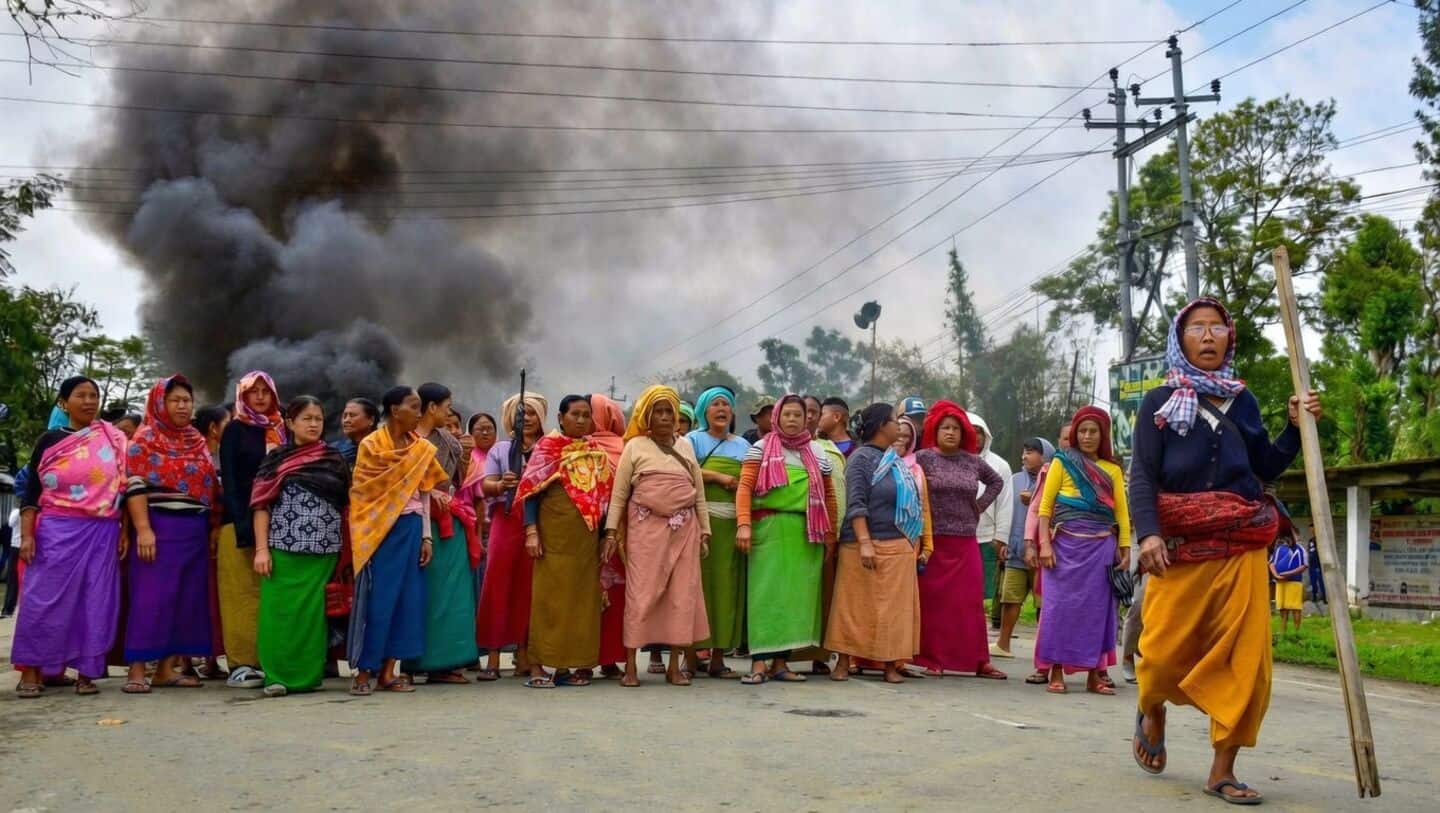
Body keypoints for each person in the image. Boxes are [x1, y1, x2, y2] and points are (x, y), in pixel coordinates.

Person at [1128, 297, 1320, 804]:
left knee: (1246, 662)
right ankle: (1152, 709)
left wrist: (1296, 427)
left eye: (1217, 327)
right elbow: (1143, 475)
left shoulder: (1244, 401)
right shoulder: (1157, 402)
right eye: (1197, 328)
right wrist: (1147, 534)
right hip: (1179, 547)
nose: (1209, 335)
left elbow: (1269, 464)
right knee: (1160, 659)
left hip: (1242, 544)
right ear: (1180, 339)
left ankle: (1222, 768)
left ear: (1229, 339)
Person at [11, 377, 127, 698]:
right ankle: (33, 670)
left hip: (103, 530)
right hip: (55, 530)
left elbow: (124, 488)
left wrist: (126, 531)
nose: (89, 401)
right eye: (81, 395)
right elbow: (32, 491)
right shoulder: (49, 440)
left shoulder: (113, 439)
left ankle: (86, 673)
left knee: (95, 600)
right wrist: (29, 535)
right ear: (64, 402)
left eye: (94, 395)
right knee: (42, 600)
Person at [603, 385, 711, 687]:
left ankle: (675, 666)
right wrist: (611, 532)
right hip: (644, 532)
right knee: (640, 595)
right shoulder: (634, 447)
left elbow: (698, 493)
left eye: (669, 412)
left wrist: (705, 530)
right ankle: (631, 669)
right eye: (658, 412)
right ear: (647, 415)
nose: (664, 417)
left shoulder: (687, 446)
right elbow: (620, 494)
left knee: (681, 596)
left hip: (685, 530)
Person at [346, 386, 450, 696]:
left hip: (412, 528)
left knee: (409, 600)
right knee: (380, 600)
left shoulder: (420, 448)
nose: (419, 413)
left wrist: (427, 537)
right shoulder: (371, 445)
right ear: (394, 410)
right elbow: (362, 495)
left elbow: (424, 494)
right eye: (413, 406)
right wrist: (372, 533)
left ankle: (389, 671)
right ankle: (365, 670)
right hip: (379, 531)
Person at [121, 375, 221, 693]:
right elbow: (133, 485)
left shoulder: (196, 439)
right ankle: (137, 670)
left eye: (187, 400)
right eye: (175, 399)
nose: (182, 405)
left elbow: (209, 487)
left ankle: (165, 669)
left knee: (184, 599)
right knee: (150, 599)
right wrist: (143, 529)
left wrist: (213, 527)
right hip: (158, 526)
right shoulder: (145, 439)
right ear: (159, 402)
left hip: (193, 529)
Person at [516, 395, 619, 688]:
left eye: (586, 415)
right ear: (561, 418)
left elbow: (603, 500)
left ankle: (569, 666)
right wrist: (531, 531)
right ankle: (537, 666)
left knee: (581, 602)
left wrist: (606, 536)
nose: (581, 420)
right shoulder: (547, 449)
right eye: (575, 414)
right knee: (548, 599)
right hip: (552, 536)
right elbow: (531, 492)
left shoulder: (597, 453)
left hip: (586, 539)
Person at [734, 394, 838, 684]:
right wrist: (743, 524)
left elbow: (829, 496)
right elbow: (744, 488)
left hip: (806, 533)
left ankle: (781, 663)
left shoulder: (818, 454)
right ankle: (758, 663)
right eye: (787, 414)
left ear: (807, 419)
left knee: (796, 599)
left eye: (798, 415)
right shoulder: (760, 449)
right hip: (767, 528)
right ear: (776, 417)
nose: (792, 419)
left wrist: (831, 535)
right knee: (765, 596)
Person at [251, 396, 350, 697]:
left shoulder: (334, 459)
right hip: (283, 550)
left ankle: (307, 676)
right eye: (306, 418)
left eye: (318, 419)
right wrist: (261, 549)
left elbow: (348, 505)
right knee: (278, 614)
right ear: (291, 422)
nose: (313, 424)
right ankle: (276, 676)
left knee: (312, 616)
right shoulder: (276, 458)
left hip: (325, 552)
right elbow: (261, 505)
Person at [826, 403, 924, 684]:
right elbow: (856, 502)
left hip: (897, 544)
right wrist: (865, 541)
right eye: (895, 421)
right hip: (860, 543)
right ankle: (843, 661)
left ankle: (891, 664)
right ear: (882, 426)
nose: (899, 426)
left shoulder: (895, 460)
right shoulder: (861, 459)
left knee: (895, 611)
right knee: (852, 607)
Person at [1035, 406, 1129, 696]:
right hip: (1063, 548)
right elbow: (1045, 508)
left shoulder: (1113, 469)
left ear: (1103, 436)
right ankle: (1057, 669)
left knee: (1097, 612)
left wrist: (1124, 546)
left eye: (1093, 431)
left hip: (1101, 548)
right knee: (1058, 609)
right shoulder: (1061, 463)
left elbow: (1122, 514)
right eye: (1083, 431)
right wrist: (1044, 544)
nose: (1087, 436)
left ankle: (1094, 675)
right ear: (1075, 434)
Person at [910, 401, 1007, 679]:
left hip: (966, 540)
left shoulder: (973, 461)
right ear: (935, 431)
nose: (950, 433)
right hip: (933, 541)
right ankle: (932, 658)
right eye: (945, 428)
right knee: (934, 601)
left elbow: (996, 482)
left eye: (955, 428)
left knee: (969, 602)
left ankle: (978, 660)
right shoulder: (923, 458)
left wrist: (979, 506)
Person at [403, 383, 479, 685]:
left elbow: (457, 482)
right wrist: (428, 492)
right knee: (419, 592)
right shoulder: (405, 440)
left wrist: (463, 461)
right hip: (415, 520)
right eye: (447, 406)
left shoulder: (449, 441)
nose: (450, 411)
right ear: (431, 407)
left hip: (450, 522)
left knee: (452, 593)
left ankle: (446, 662)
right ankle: (411, 662)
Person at [218, 371, 286, 690]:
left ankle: (269, 658)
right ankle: (242, 663)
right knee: (240, 594)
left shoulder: (282, 430)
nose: (260, 397)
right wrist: (242, 523)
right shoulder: (235, 430)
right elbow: (230, 480)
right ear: (242, 396)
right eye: (253, 392)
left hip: (278, 522)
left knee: (269, 594)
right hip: (239, 522)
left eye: (265, 392)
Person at [475, 393, 549, 680]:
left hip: (541, 524)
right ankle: (492, 657)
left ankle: (526, 655)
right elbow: (485, 485)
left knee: (530, 590)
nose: (526, 418)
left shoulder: (548, 449)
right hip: (505, 523)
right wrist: (501, 484)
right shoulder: (501, 450)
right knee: (497, 585)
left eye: (531, 413)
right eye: (521, 413)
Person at [686, 386, 750, 679]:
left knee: (727, 590)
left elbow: (750, 482)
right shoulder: (691, 440)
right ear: (703, 411)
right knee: (695, 589)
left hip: (731, 527)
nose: (722, 409)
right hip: (699, 524)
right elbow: (684, 473)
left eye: (727, 404)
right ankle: (688, 657)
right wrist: (716, 476)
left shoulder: (743, 447)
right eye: (716, 404)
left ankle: (717, 659)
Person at [994, 437, 1054, 659]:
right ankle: (1003, 643)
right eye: (1024, 452)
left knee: (1043, 604)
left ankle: (1044, 649)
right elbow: (1005, 510)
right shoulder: (1015, 480)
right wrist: (1003, 539)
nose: (1024, 456)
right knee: (1010, 598)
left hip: (1044, 552)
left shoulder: (1053, 477)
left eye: (1030, 452)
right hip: (1016, 549)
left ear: (1045, 455)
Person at [588, 394, 629, 678]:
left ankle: (610, 657)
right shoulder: (574, 446)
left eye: (590, 414)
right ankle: (586, 655)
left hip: (616, 531)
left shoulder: (626, 448)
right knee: (587, 595)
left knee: (614, 597)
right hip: (587, 530)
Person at [967, 414, 1013, 630]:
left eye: (979, 432)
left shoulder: (1000, 466)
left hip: (986, 538)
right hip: (957, 536)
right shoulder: (952, 460)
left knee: (981, 593)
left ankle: (975, 634)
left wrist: (1001, 538)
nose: (975, 437)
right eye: (971, 431)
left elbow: (1005, 504)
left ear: (986, 436)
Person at [1270, 533, 1307, 636]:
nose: (1290, 537)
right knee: (1282, 608)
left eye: (1293, 535)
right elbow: (1271, 563)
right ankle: (1283, 631)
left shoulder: (1300, 549)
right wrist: (1276, 575)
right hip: (1280, 582)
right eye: (1289, 535)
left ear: (1298, 537)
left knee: (1296, 608)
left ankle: (1297, 632)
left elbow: (1304, 565)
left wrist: (1289, 573)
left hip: (1295, 582)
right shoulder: (1279, 549)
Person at [334, 398, 380, 469]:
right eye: (345, 416)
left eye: (352, 415)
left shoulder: (386, 447)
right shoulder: (335, 449)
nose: (346, 420)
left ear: (371, 420)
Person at [1305, 536, 1326, 604]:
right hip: (1311, 566)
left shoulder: (1319, 546)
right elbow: (1309, 553)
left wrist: (1319, 566)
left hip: (1317, 566)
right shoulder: (1310, 543)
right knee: (1313, 582)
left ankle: (1324, 598)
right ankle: (1314, 597)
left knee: (1321, 583)